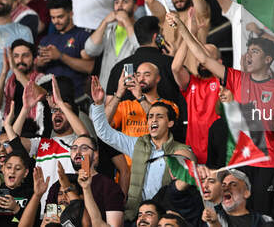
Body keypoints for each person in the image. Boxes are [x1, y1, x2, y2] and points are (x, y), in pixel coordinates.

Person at [168, 12, 274, 214]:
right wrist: (184, 28)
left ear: (268, 59)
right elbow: (202, 56)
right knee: (236, 216)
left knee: (265, 215)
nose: (249, 55)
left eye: (254, 52)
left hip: (266, 160)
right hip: (237, 162)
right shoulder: (236, 79)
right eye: (249, 51)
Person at [89, 77, 193, 222]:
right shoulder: (137, 144)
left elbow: (187, 182)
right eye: (150, 117)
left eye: (159, 116)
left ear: (170, 123)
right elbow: (104, 133)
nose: (153, 120)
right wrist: (98, 104)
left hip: (165, 219)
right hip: (136, 217)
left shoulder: (181, 150)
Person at [12, 76, 89, 213]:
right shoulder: (42, 143)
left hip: (72, 211)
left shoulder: (77, 144)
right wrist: (25, 108)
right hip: (45, 214)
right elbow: (13, 142)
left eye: (63, 110)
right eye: (54, 110)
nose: (57, 113)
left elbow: (84, 135)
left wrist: (59, 102)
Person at [106, 16, 184, 126]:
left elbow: (108, 107)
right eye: (162, 33)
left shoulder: (119, 67)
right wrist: (175, 59)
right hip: (167, 133)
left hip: (128, 136)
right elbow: (186, 91)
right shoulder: (170, 63)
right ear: (156, 37)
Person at [45, 135, 125, 227]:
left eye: (84, 148)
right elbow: (47, 221)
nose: (78, 152)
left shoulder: (108, 186)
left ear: (95, 155)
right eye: (74, 149)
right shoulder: (60, 184)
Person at [172, 20, 221, 164]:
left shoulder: (223, 81)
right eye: (198, 59)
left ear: (219, 61)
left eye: (206, 56)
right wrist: (190, 34)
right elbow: (175, 68)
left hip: (217, 149)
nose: (201, 61)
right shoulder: (192, 82)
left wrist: (191, 35)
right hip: (194, 153)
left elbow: (205, 59)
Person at [37, 0, 94, 97]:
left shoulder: (83, 36)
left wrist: (60, 56)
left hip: (76, 98)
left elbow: (90, 67)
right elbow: (36, 68)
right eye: (53, 18)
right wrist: (39, 63)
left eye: (60, 17)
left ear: (71, 14)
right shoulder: (46, 40)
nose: (56, 21)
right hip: (49, 98)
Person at [85, 0, 140, 88]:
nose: (120, 6)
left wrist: (127, 22)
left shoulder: (141, 28)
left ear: (135, 7)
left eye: (125, 2)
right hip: (106, 88)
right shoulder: (108, 28)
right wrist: (104, 22)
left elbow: (141, 49)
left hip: (130, 90)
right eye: (116, 2)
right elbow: (90, 50)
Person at [0, 40, 45, 134]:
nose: (20, 60)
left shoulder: (42, 79)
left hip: (32, 132)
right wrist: (4, 73)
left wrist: (15, 69)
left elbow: (39, 96)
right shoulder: (7, 82)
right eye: (16, 56)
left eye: (25, 55)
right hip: (8, 132)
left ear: (34, 59)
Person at [201, 169, 274, 227]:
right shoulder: (211, 219)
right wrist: (214, 224)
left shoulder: (265, 221)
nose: (226, 188)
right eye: (223, 185)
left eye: (233, 185)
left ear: (246, 193)